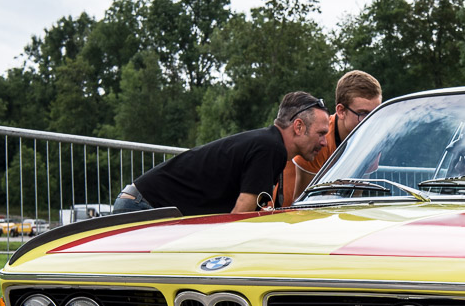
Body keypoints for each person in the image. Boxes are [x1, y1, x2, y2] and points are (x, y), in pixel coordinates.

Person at [113, 92, 330, 216]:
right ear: (299, 127)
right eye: (321, 133)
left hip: (142, 203)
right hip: (144, 207)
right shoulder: (270, 148)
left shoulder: (267, 144)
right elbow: (240, 217)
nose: (324, 142)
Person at [281, 70, 382, 206]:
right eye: (363, 113)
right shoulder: (318, 139)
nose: (370, 121)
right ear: (341, 111)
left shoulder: (372, 142)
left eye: (376, 113)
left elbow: (356, 197)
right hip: (286, 210)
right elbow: (302, 202)